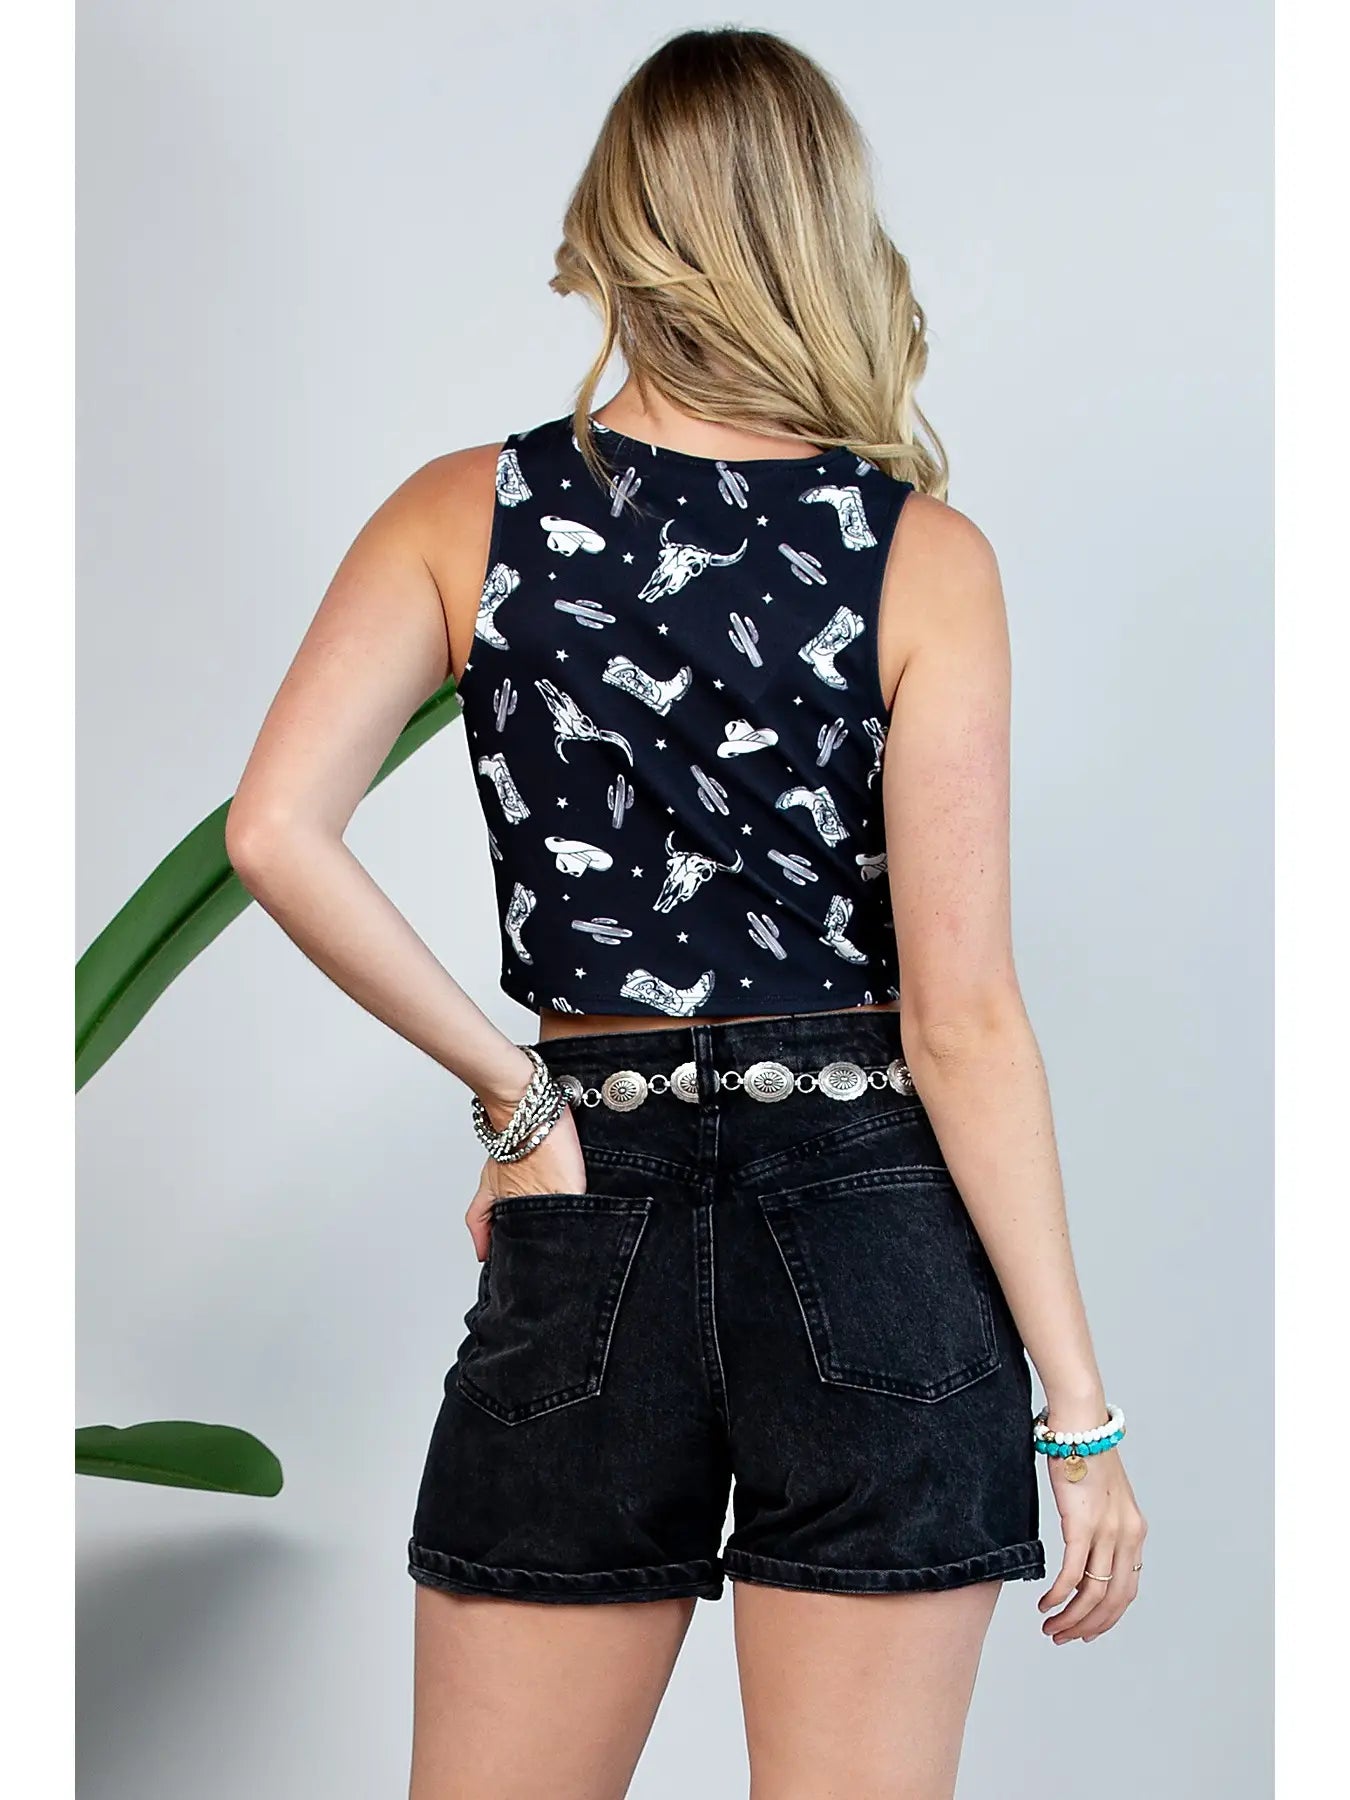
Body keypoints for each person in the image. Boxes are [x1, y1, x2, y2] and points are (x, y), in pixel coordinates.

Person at [225, 25, 1146, 1800]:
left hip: (591, 1192)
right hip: (871, 1216)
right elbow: (961, 1018)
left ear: (612, 229)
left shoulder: (466, 512)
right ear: (824, 232)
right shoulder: (919, 557)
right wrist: (1079, 1413)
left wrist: (518, 1098)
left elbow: (274, 830)